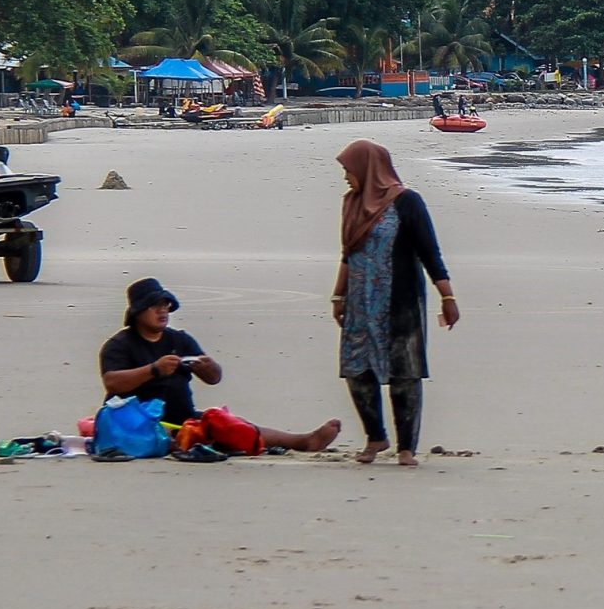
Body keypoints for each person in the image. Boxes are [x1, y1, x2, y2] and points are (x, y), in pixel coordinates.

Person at [332, 140, 459, 466]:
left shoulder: (407, 202)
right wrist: (338, 294)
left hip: (399, 301)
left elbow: (430, 253)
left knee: (405, 371)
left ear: (367, 168)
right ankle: (375, 436)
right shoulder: (351, 204)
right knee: (356, 370)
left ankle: (406, 446)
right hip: (360, 303)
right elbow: (348, 254)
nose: (347, 177)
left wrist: (447, 295)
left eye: (349, 169)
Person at [99, 278, 340, 450]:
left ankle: (301, 440)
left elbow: (214, 378)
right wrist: (153, 370)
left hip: (182, 417)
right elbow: (113, 382)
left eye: (165, 305)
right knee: (215, 430)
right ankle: (298, 442)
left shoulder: (179, 339)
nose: (163, 311)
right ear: (138, 313)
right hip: (139, 422)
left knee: (228, 423)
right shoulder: (120, 344)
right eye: (155, 306)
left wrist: (206, 366)